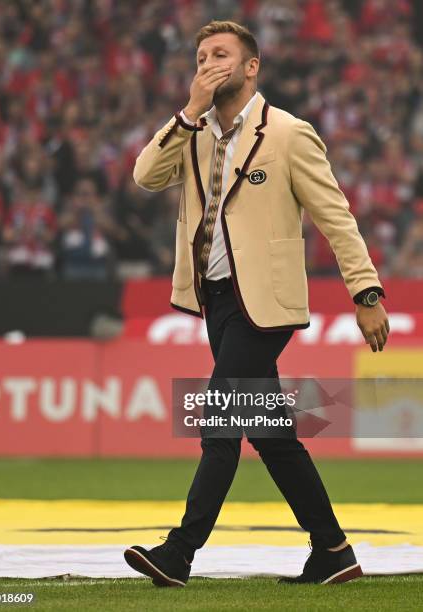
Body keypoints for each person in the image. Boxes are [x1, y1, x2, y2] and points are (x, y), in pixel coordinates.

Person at [124, 20, 390, 586]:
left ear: (251, 67)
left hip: (265, 305)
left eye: (220, 54)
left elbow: (335, 215)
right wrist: (186, 111)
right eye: (200, 57)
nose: (207, 64)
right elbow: (145, 176)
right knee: (272, 435)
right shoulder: (192, 132)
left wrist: (366, 292)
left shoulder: (289, 133)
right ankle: (333, 551)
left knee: (219, 420)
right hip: (216, 301)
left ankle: (180, 552)